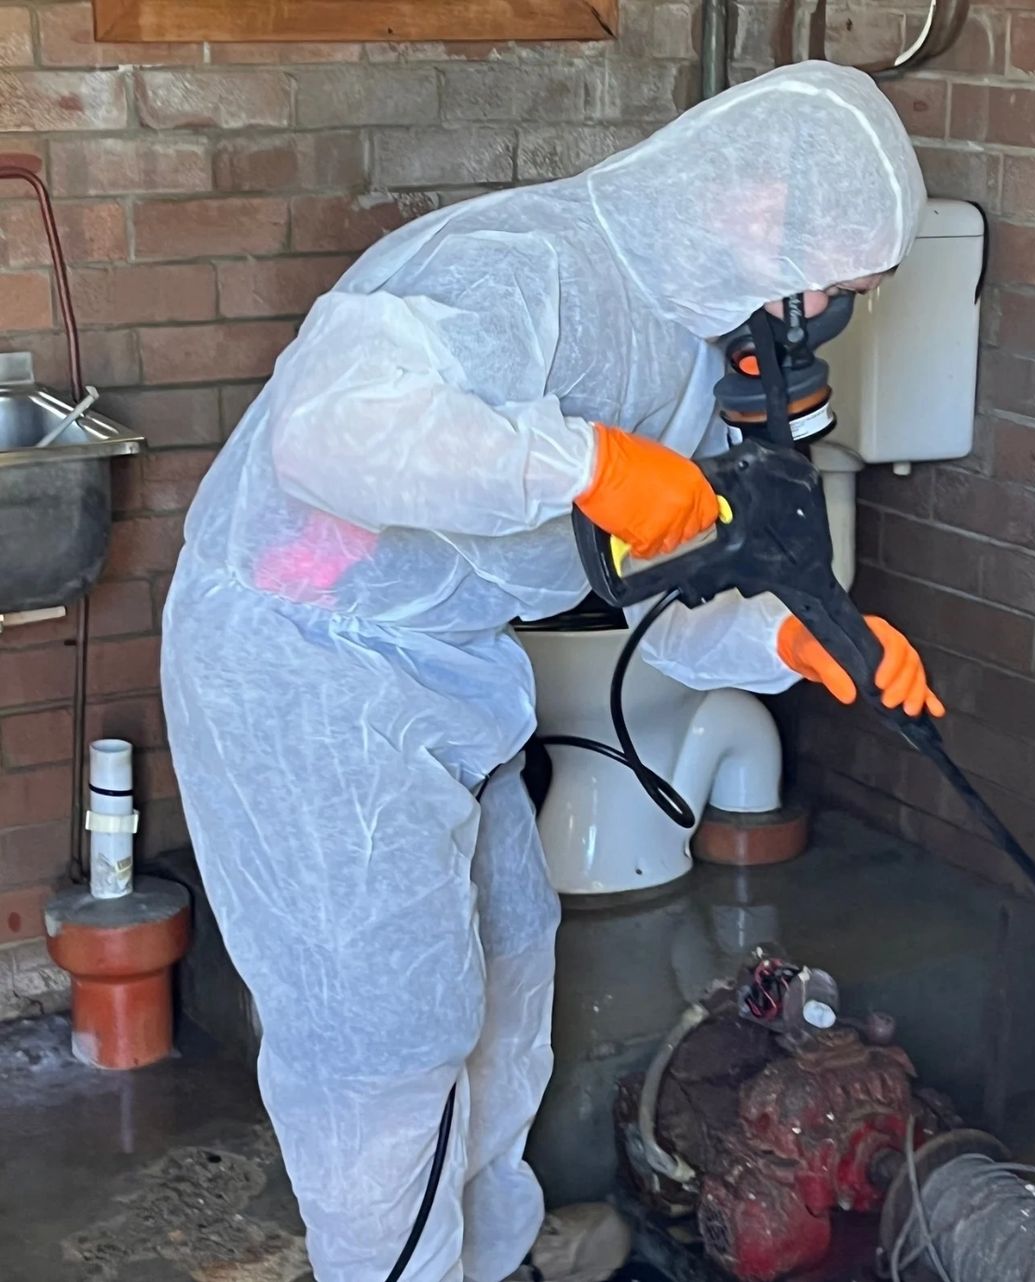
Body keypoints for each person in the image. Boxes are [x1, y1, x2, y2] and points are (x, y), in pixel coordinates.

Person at [160, 60, 942, 1282]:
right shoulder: (522, 263)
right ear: (747, 208)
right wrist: (577, 459)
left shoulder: (689, 356)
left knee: (510, 972)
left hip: (450, 669)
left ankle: (488, 1252)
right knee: (384, 1045)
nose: (818, 319)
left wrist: (783, 640)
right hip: (305, 663)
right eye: (830, 286)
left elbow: (637, 606)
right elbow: (332, 431)